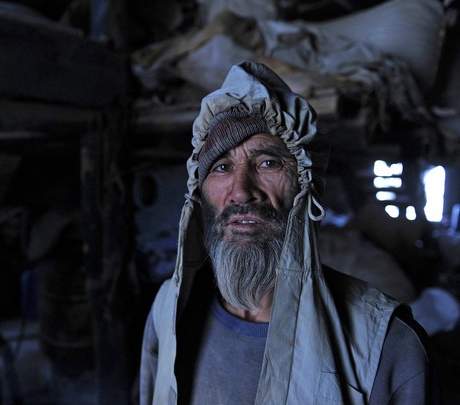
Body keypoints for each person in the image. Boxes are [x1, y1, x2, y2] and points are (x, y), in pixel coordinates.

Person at [139, 61, 438, 404]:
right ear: (200, 193)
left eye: (268, 163)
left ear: (305, 185)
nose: (241, 191)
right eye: (221, 167)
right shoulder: (168, 309)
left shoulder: (387, 345)